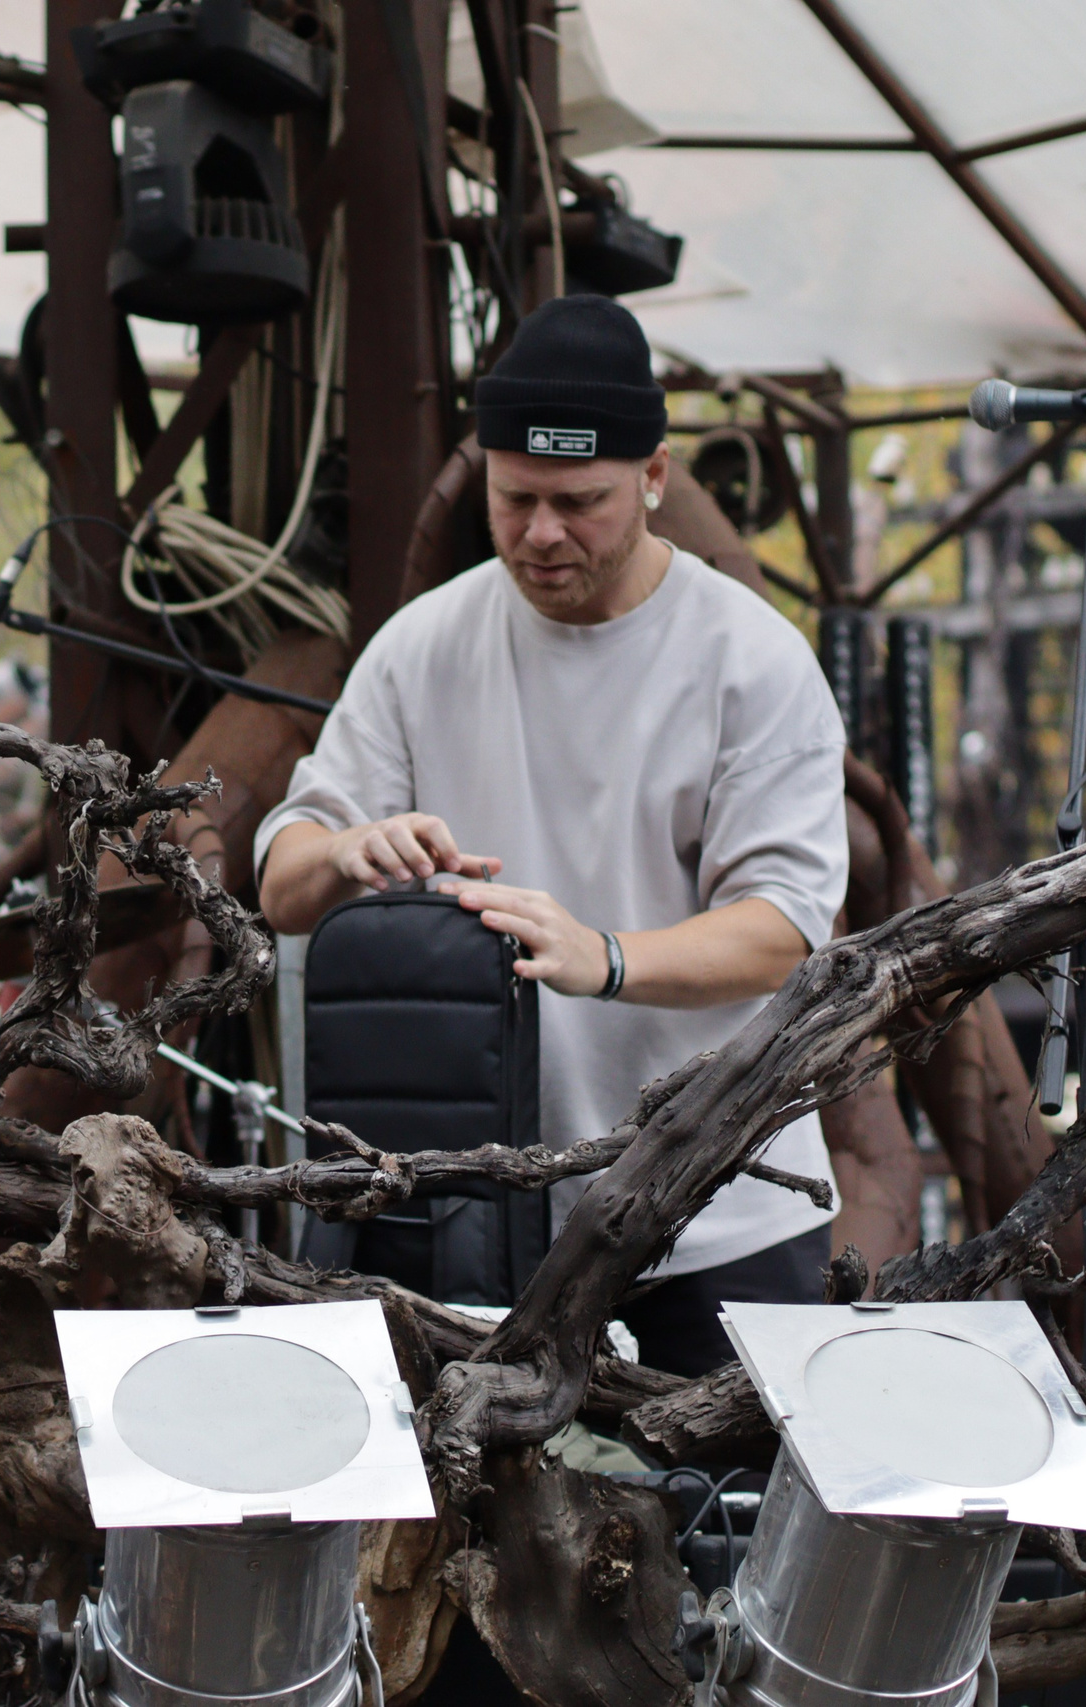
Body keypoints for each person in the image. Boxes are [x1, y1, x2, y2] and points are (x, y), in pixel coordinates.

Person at [256, 293, 849, 1378]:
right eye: (515, 496)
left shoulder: (751, 660)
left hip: (716, 1210)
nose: (541, 532)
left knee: (725, 1538)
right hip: (470, 1215)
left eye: (580, 501)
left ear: (654, 478)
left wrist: (607, 959)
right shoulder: (421, 646)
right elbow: (284, 883)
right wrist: (346, 853)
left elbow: (785, 927)